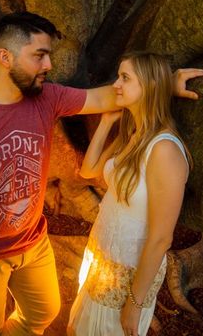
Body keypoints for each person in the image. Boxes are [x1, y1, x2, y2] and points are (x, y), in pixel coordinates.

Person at [0, 12, 203, 336]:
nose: (48, 65)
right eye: (39, 55)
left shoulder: (47, 98)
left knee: (44, 311)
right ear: (5, 57)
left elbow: (109, 95)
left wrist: (166, 81)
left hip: (32, 242)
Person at [67, 51, 192, 336]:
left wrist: (134, 304)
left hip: (127, 275)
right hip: (101, 258)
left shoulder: (164, 149)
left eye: (125, 78)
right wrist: (108, 121)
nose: (116, 85)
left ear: (148, 87)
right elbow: (89, 171)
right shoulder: (133, 135)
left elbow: (162, 238)